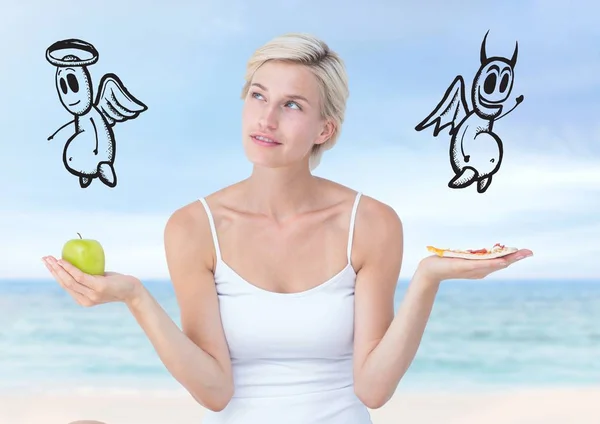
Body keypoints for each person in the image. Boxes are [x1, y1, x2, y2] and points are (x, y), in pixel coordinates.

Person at [42, 33, 533, 423]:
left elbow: (373, 390)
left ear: (325, 130)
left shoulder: (371, 223)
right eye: (258, 96)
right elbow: (215, 392)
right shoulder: (194, 227)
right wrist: (134, 297)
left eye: (292, 105)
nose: (267, 118)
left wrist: (427, 278)